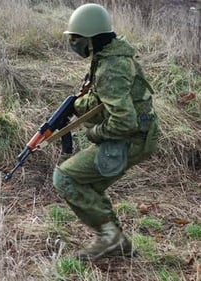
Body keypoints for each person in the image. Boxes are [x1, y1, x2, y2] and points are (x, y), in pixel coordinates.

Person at [53, 3, 160, 261]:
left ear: (91, 37)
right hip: (140, 134)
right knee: (87, 183)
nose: (74, 43)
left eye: (77, 38)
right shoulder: (109, 54)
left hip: (132, 138)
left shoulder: (111, 67)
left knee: (65, 178)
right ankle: (115, 240)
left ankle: (110, 238)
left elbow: (124, 123)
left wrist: (94, 134)